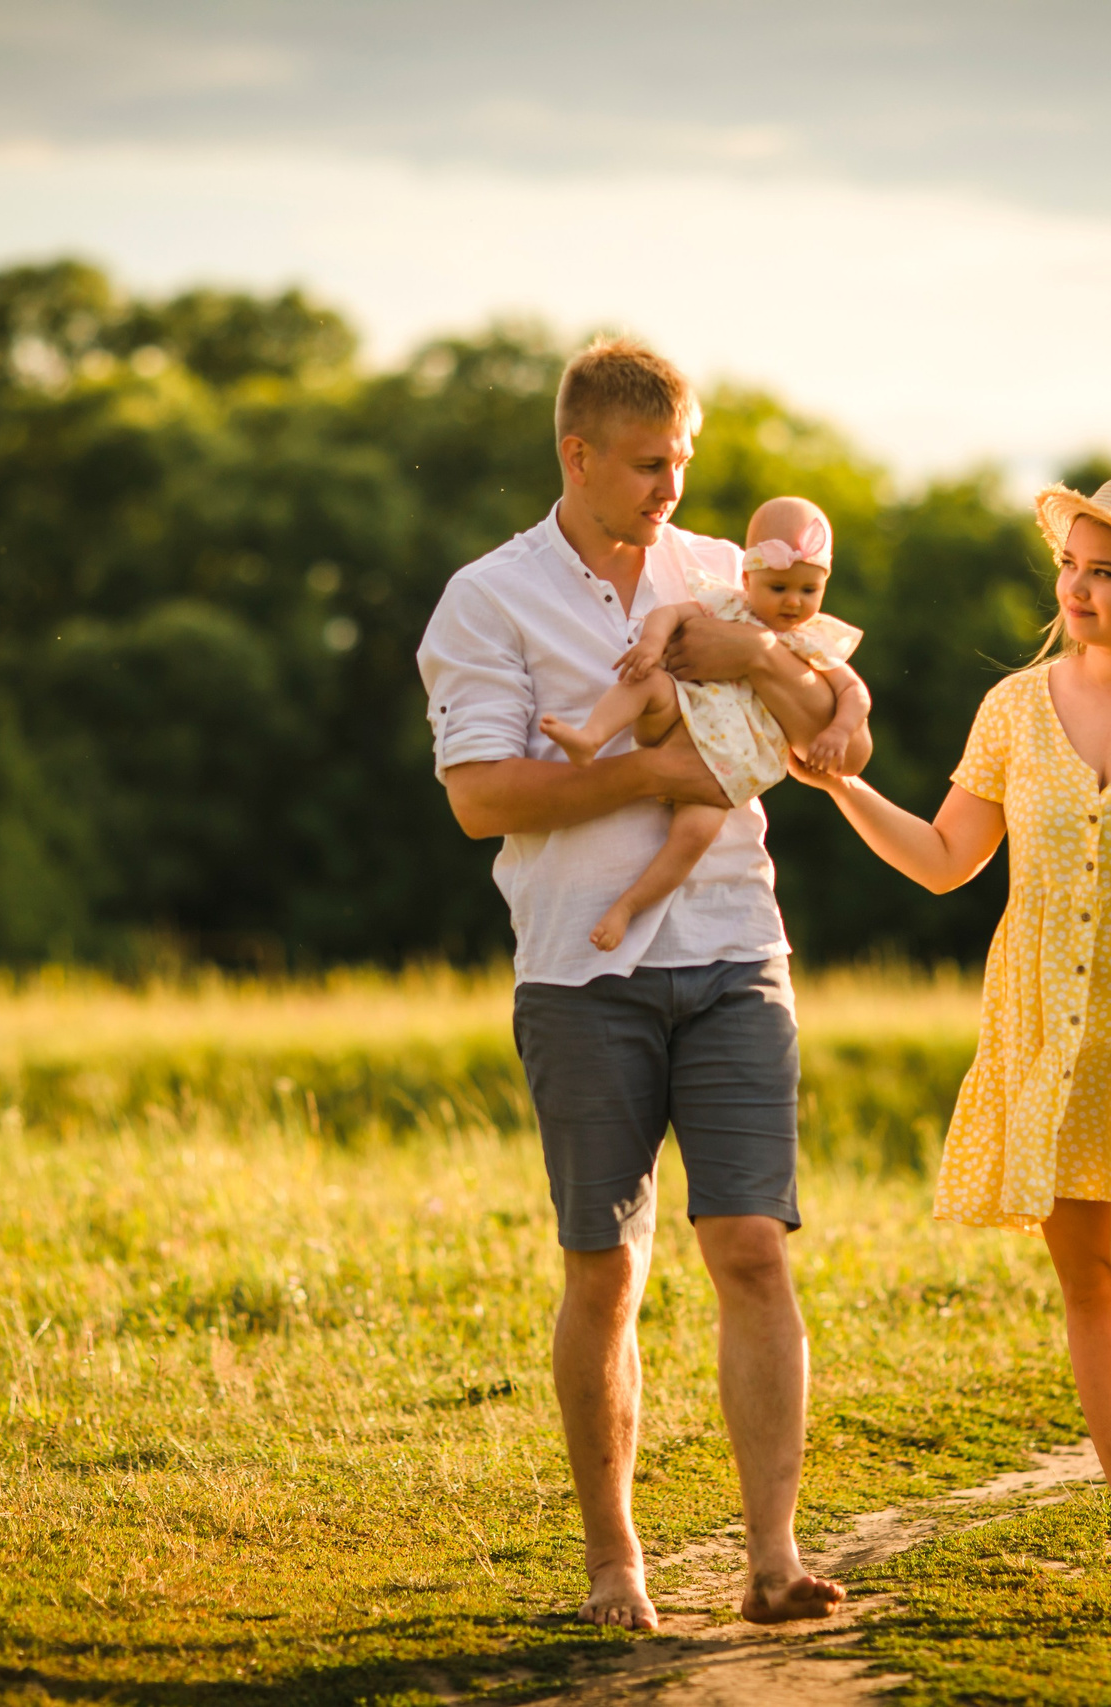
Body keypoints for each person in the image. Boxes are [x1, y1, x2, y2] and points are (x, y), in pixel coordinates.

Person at [415, 336, 868, 1630]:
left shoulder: (724, 572)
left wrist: (775, 673)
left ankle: (774, 1557)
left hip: (735, 952)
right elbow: (480, 794)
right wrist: (656, 778)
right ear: (578, 455)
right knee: (604, 1269)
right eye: (649, 463)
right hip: (579, 971)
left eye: (685, 460)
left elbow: (840, 719)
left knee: (752, 1252)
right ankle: (618, 1565)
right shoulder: (487, 600)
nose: (674, 486)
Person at [786, 473, 1111, 1625]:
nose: (1079, 588)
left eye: (1105, 572)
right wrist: (844, 786)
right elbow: (949, 857)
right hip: (1043, 1031)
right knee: (1090, 1284)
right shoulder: (1013, 706)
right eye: (1072, 567)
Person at [541, 494, 871, 951]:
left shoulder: (811, 642)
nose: (794, 602)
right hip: (681, 712)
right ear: (747, 577)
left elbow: (855, 692)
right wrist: (652, 646)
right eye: (778, 588)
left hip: (725, 765)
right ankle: (589, 736)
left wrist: (837, 730)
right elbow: (669, 612)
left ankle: (628, 907)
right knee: (646, 682)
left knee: (692, 838)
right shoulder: (727, 606)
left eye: (808, 590)